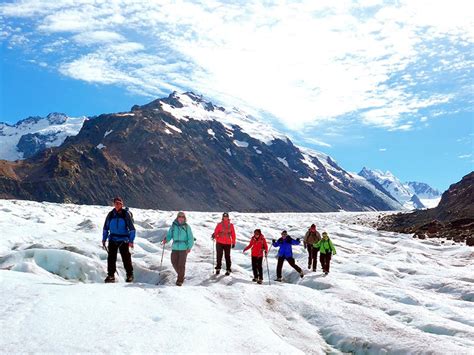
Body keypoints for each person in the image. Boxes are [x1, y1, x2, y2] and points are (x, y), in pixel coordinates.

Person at [102, 196, 136, 283]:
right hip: (113, 238)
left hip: (123, 239)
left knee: (126, 257)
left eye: (119, 203)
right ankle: (111, 275)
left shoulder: (125, 214)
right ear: (114, 204)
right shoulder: (110, 214)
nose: (117, 205)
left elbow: (132, 228)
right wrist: (104, 238)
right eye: (116, 203)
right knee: (111, 258)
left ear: (122, 204)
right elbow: (106, 227)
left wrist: (131, 241)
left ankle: (129, 275)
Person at [163, 211, 194, 286]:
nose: (181, 218)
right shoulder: (173, 226)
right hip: (175, 247)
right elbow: (170, 235)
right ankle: (181, 274)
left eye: (182, 217)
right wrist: (166, 240)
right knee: (173, 262)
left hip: (183, 248)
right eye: (179, 216)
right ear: (177, 217)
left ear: (184, 218)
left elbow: (190, 238)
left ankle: (180, 280)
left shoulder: (187, 227)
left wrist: (189, 247)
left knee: (181, 264)